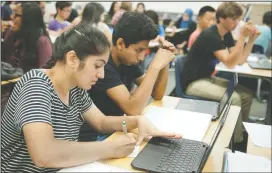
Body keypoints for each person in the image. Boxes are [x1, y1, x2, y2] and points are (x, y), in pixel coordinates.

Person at [1, 23, 180, 172]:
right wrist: (109, 149)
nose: (101, 75)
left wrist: (136, 121)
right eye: (97, 65)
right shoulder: (36, 84)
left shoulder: (75, 88)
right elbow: (44, 154)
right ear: (72, 59)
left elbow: (101, 122)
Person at [80, 12, 176, 141]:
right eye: (139, 50)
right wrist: (154, 67)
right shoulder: (104, 65)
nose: (142, 57)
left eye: (144, 50)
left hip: (115, 128)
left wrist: (164, 62)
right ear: (120, 44)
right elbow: (133, 110)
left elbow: (157, 94)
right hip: (96, 136)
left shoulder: (127, 61)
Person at [181, 2, 259, 149]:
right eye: (233, 19)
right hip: (193, 83)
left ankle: (240, 132)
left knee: (246, 95)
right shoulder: (211, 35)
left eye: (238, 19)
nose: (236, 22)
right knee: (234, 98)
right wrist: (242, 37)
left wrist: (251, 41)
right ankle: (236, 143)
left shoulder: (225, 34)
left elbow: (240, 60)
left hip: (206, 78)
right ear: (222, 18)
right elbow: (230, 63)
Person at [2, 2, 52, 73]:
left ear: (28, 19)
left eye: (16, 15)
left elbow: (46, 74)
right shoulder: (13, 33)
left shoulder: (42, 42)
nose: (12, 17)